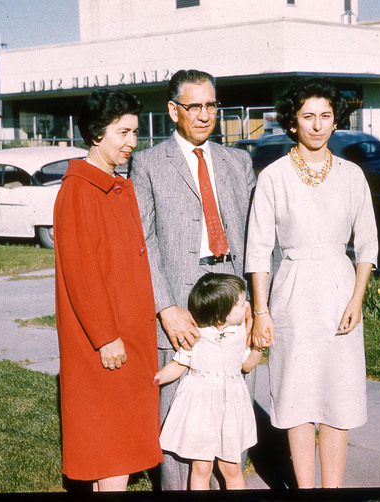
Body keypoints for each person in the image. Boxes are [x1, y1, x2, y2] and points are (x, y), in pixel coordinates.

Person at [245, 77, 378, 488]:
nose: (318, 125)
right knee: (296, 396)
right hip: (292, 295)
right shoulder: (274, 177)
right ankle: (306, 492)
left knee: (339, 398)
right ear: (292, 123)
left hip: (339, 291)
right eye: (308, 117)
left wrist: (357, 299)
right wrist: (262, 311)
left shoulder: (352, 175)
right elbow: (258, 250)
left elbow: (368, 243)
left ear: (335, 121)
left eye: (326, 116)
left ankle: (331, 491)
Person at [129, 69, 257, 490]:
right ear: (173, 111)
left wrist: (256, 303)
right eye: (194, 106)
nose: (204, 116)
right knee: (179, 417)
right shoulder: (147, 164)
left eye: (211, 106)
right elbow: (143, 240)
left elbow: (257, 238)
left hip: (234, 292)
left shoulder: (238, 162)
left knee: (229, 412)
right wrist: (165, 307)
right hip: (181, 297)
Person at [53, 89, 162, 491]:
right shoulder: (79, 191)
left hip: (128, 335)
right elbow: (82, 275)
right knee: (112, 444)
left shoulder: (114, 185)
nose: (132, 142)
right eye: (123, 133)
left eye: (135, 132)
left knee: (116, 446)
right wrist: (106, 337)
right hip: (107, 340)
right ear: (97, 134)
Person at [153, 273, 263, 490]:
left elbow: (247, 365)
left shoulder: (240, 333)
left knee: (231, 468)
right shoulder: (197, 334)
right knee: (201, 468)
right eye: (241, 304)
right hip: (201, 408)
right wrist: (155, 378)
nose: (247, 306)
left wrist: (259, 348)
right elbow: (178, 365)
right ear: (221, 315)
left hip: (230, 406)